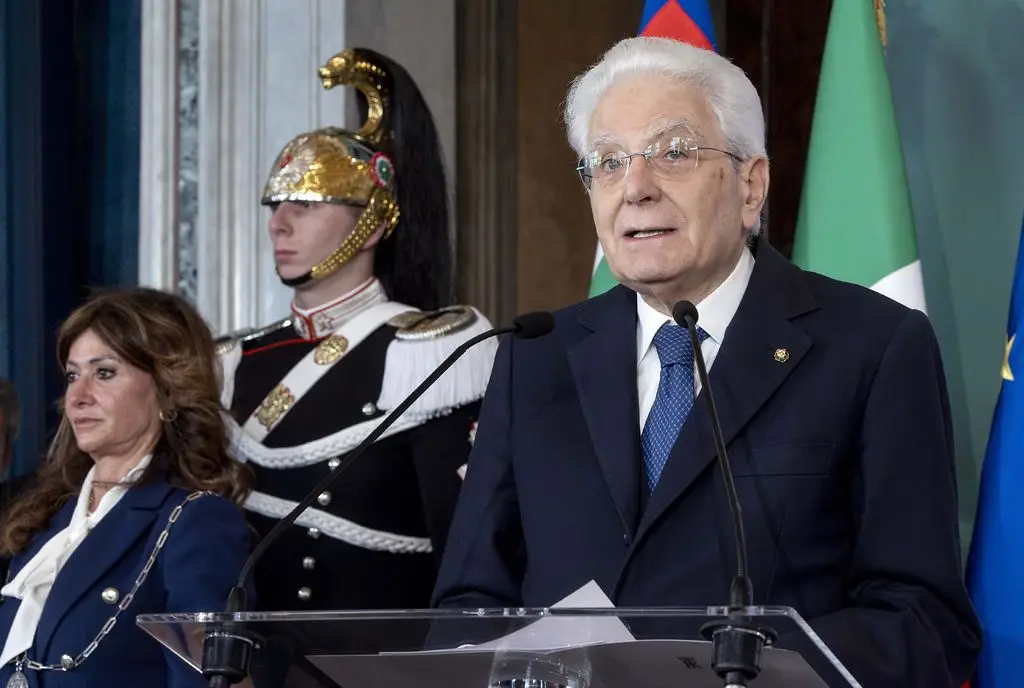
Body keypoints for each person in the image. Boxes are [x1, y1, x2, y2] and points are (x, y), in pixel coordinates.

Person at [431, 36, 981, 688]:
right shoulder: (535, 356)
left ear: (751, 185)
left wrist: (738, 668)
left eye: (674, 153)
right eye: (607, 162)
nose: (635, 188)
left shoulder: (872, 345)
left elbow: (922, 622)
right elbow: (469, 605)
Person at [215, 46, 494, 616]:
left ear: (371, 225)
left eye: (306, 205)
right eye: (276, 204)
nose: (278, 224)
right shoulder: (234, 360)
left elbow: (463, 547)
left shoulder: (429, 350)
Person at [0, 288, 255, 687]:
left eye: (104, 373)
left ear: (167, 390)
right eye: (72, 375)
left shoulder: (195, 522)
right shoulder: (45, 518)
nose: (77, 397)